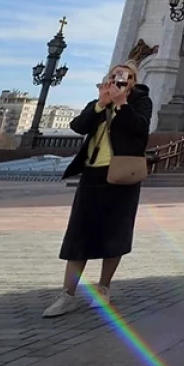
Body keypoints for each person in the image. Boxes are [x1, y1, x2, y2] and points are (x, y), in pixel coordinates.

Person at [43, 62, 152, 317]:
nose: (119, 80)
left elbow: (140, 130)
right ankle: (67, 294)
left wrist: (122, 103)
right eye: (115, 76)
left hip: (121, 175)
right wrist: (100, 104)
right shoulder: (99, 102)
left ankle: (104, 288)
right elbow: (78, 126)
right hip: (92, 174)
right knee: (78, 235)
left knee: (115, 233)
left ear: (134, 80)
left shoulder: (140, 103)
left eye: (125, 76)